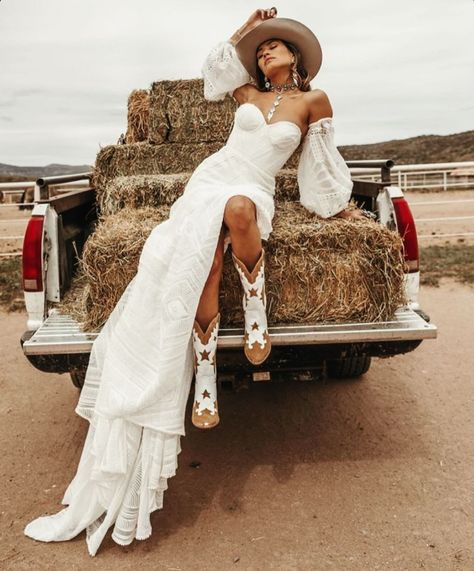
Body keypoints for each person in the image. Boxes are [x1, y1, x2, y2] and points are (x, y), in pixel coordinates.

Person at [24, 7, 363, 556]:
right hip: (211, 178)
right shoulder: (246, 95)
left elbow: (320, 161)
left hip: (252, 189)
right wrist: (244, 26)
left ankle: (256, 311)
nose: (265, 53)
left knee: (239, 210)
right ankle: (203, 374)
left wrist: (336, 207)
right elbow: (216, 71)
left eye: (275, 47)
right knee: (198, 257)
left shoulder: (313, 103)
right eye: (261, 49)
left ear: (297, 58)